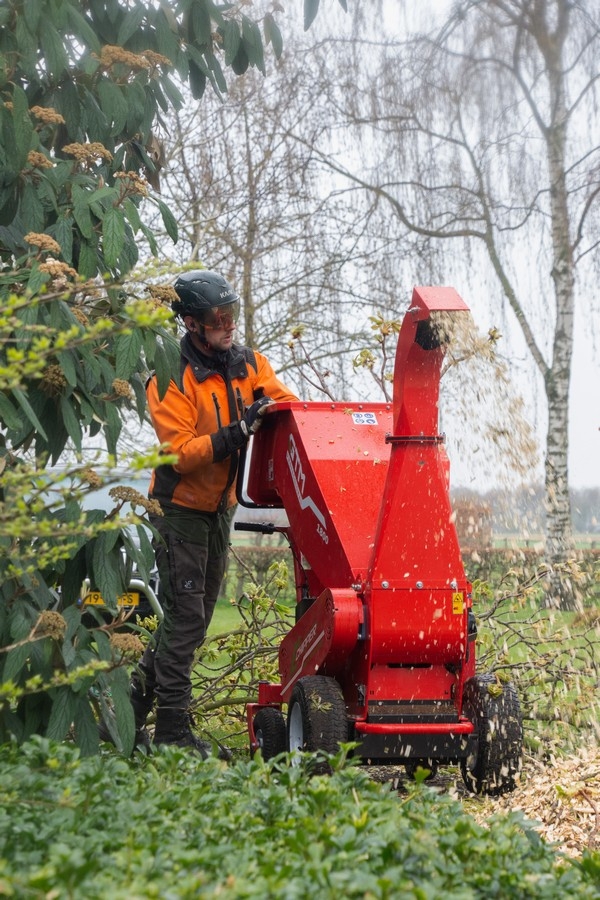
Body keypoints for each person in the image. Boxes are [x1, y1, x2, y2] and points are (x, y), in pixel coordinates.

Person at [130, 270, 297, 757]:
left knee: (193, 621)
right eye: (216, 319)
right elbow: (180, 452)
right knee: (185, 619)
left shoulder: (249, 365)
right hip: (178, 508)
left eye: (232, 315)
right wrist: (237, 432)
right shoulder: (168, 375)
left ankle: (126, 713)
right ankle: (173, 733)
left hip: (219, 508)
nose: (227, 326)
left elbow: (285, 403)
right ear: (190, 322)